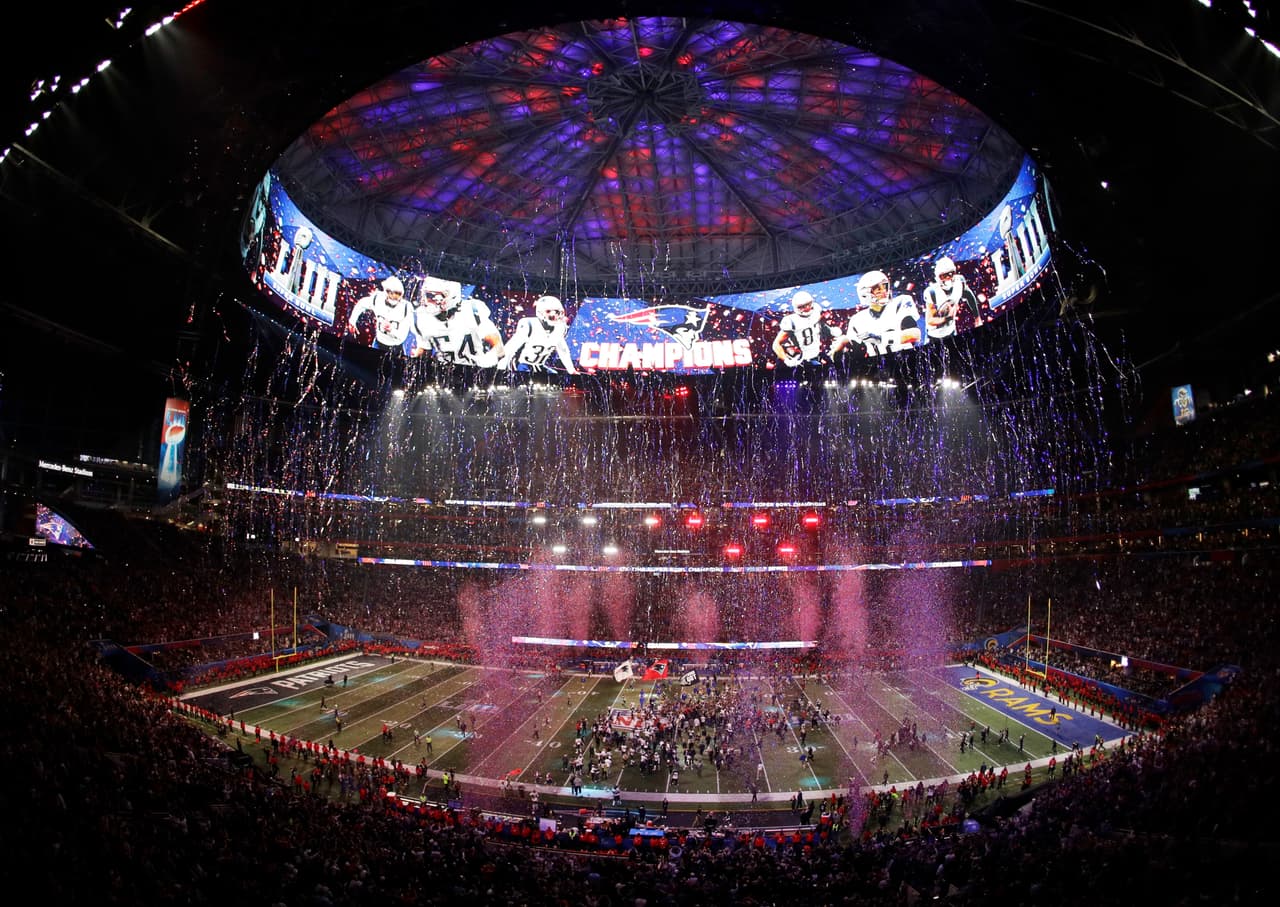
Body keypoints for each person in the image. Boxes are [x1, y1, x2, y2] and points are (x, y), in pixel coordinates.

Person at [408, 275, 505, 367]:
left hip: (472, 372)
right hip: (440, 373)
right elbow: (424, 349)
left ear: (451, 297)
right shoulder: (420, 317)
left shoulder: (472, 311)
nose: (425, 301)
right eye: (426, 295)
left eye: (432, 296)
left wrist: (483, 362)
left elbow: (499, 349)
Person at [846, 270, 921, 355]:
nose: (884, 291)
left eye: (884, 287)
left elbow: (915, 334)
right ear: (865, 294)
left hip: (906, 358)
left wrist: (881, 338)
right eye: (878, 289)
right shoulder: (857, 319)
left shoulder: (900, 302)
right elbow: (854, 348)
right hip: (878, 365)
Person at [500, 295, 578, 373]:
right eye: (548, 311)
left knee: (554, 377)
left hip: (539, 366)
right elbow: (510, 348)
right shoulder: (529, 325)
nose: (553, 315)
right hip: (520, 364)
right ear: (540, 312)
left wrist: (571, 370)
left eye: (557, 312)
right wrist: (500, 368)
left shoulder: (560, 328)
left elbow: (562, 350)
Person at [772, 290, 848, 366]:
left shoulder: (816, 310)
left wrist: (830, 331)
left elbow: (818, 323)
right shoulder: (791, 321)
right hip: (802, 359)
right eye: (803, 306)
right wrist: (786, 360)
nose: (807, 308)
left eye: (808, 304)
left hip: (818, 353)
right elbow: (776, 344)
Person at [922, 256, 982, 339]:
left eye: (950, 274)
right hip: (935, 335)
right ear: (938, 277)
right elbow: (930, 320)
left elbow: (969, 296)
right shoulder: (932, 292)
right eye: (944, 275)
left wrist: (977, 318)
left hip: (952, 330)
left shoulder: (959, 282)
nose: (948, 278)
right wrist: (948, 318)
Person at [346, 275, 412, 349]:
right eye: (391, 292)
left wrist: (391, 330)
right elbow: (361, 304)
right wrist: (352, 321)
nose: (393, 296)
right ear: (385, 291)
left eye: (397, 293)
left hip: (395, 347)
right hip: (378, 342)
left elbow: (403, 335)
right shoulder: (378, 299)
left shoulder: (406, 308)